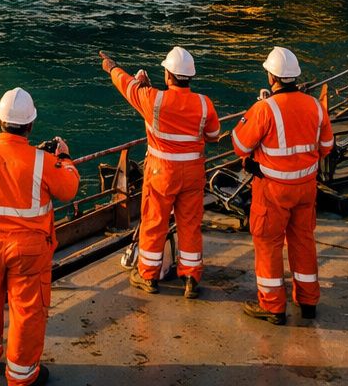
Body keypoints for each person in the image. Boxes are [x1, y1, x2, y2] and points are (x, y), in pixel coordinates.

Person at [0, 88, 78, 385]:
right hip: (28, 250)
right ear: (31, 125)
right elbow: (69, 189)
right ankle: (22, 375)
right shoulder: (44, 162)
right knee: (27, 311)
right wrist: (64, 156)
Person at [100, 47, 222, 298]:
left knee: (154, 222)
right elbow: (213, 136)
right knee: (189, 224)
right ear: (190, 76)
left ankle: (148, 275)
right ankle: (190, 277)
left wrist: (111, 67)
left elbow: (126, 85)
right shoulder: (203, 103)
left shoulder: (153, 99)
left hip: (161, 172)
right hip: (192, 172)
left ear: (168, 75)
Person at [231, 47, 334, 324]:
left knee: (268, 244)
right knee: (303, 242)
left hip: (272, 190)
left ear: (271, 77)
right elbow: (326, 147)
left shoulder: (264, 109)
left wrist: (252, 114)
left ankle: (273, 305)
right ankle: (308, 300)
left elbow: (240, 145)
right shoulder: (315, 106)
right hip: (306, 187)